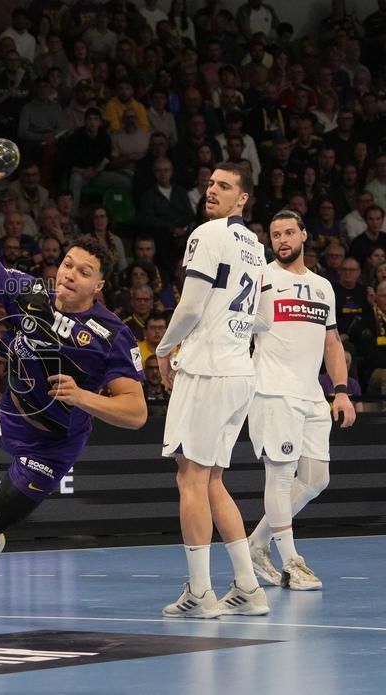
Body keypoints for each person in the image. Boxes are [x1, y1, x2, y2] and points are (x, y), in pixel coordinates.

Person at [0, 161, 147, 608]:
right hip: (12, 414)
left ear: (99, 285)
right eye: (68, 263)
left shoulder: (111, 336)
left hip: (52, 445)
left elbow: (136, 412)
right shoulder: (27, 292)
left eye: (83, 271)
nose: (69, 273)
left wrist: (83, 395)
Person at [155, 163, 270, 618]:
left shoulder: (207, 233)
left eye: (224, 186)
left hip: (206, 371)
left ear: (243, 198)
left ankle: (200, 594)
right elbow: (262, 318)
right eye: (210, 184)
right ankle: (247, 587)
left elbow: (190, 304)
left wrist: (164, 348)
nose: (212, 190)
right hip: (239, 370)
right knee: (213, 479)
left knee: (190, 478)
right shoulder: (257, 249)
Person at [247, 210, 356, 591]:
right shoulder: (260, 279)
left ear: (304, 235)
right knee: (279, 477)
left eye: (289, 232)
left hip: (312, 394)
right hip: (272, 390)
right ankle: (292, 562)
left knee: (315, 478)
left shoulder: (323, 286)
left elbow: (332, 341)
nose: (282, 240)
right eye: (275, 234)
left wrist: (340, 391)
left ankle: (257, 545)